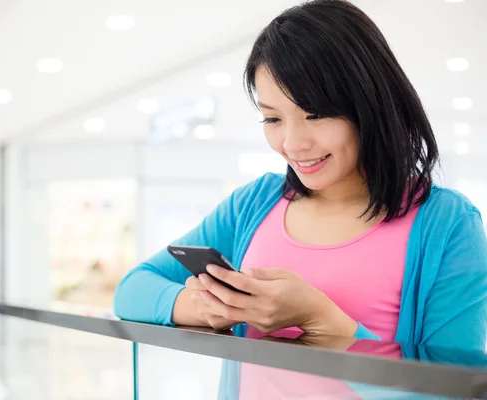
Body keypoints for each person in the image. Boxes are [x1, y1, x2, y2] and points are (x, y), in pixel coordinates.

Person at [113, 0, 487, 351]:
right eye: (273, 119)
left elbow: (454, 384)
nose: (292, 144)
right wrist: (205, 307)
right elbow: (132, 289)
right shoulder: (254, 204)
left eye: (315, 114)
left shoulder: (447, 223)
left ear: (371, 104)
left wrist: (320, 320)